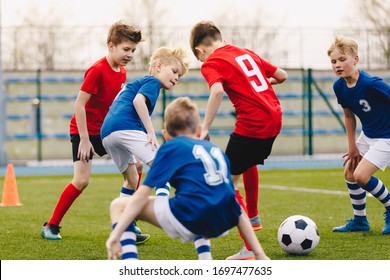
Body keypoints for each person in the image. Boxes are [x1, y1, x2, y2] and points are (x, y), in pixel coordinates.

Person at [105, 96, 270, 260]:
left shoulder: (171, 148)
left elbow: (141, 195)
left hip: (190, 216)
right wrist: (259, 253)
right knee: (202, 200)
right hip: (222, 221)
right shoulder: (216, 150)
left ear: (166, 135)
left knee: (118, 206)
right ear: (199, 131)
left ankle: (129, 266)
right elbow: (234, 203)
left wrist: (116, 234)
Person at [41, 20, 149, 243]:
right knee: (81, 180)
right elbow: (79, 105)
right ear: (111, 46)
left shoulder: (122, 71)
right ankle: (51, 225)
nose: (130, 54)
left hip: (106, 130)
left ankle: (127, 222)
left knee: (136, 170)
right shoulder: (97, 70)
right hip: (84, 132)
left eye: (133, 50)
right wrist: (83, 139)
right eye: (126, 49)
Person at [189, 20, 287, 260]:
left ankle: (250, 249)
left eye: (199, 59)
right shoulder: (245, 52)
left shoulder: (211, 62)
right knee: (245, 162)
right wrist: (256, 87)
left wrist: (205, 129)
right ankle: (252, 216)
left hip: (253, 123)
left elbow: (217, 91)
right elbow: (281, 76)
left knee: (225, 181)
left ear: (200, 51)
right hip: (274, 118)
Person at [100, 46, 190, 204]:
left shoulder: (137, 83)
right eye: (175, 71)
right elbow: (138, 101)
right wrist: (150, 132)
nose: (176, 78)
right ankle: (163, 211)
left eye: (179, 76)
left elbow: (120, 106)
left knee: (132, 179)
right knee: (163, 166)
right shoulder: (152, 81)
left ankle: (124, 224)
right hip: (124, 127)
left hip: (107, 133)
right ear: (159, 66)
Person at [327, 35, 390, 235]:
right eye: (333, 61)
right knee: (350, 173)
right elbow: (349, 116)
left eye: (342, 59)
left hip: (387, 137)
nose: (337, 65)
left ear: (356, 59)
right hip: (369, 135)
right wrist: (352, 146)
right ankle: (360, 221)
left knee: (361, 176)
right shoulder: (339, 87)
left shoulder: (372, 83)